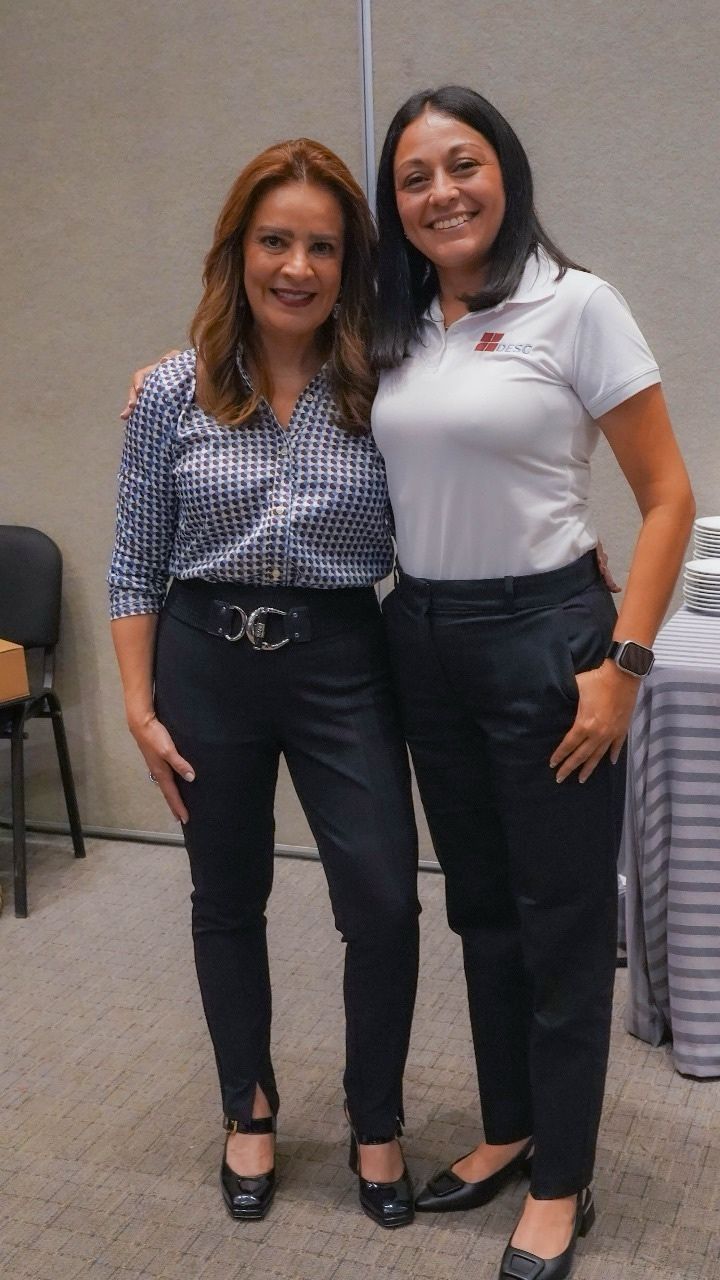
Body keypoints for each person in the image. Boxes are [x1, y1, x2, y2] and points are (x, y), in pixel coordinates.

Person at [370, 86, 694, 1279]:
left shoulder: (577, 304)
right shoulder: (400, 321)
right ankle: (510, 1124)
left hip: (544, 637)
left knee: (561, 920)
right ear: (395, 204)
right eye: (415, 177)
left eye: (463, 164)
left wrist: (625, 664)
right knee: (482, 908)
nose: (442, 192)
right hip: (425, 636)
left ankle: (564, 1177)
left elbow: (669, 496)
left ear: (504, 170)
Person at [108, 138, 420, 1228]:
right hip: (206, 659)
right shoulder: (170, 391)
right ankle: (247, 1104)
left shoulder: (387, 385)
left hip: (342, 659)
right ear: (237, 251)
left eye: (322, 246)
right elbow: (134, 557)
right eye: (275, 240)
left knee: (383, 901)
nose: (297, 266)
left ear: (349, 263)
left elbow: (461, 495)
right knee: (227, 896)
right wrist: (139, 706)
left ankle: (375, 1118)